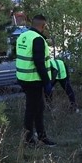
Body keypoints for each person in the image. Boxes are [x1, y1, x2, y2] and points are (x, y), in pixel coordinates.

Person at [16, 15, 56, 146]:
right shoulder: (38, 39)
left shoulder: (23, 36)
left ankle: (41, 136)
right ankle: (29, 139)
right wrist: (47, 83)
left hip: (23, 78)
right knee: (33, 109)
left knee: (38, 108)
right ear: (43, 26)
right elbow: (39, 63)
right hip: (33, 80)